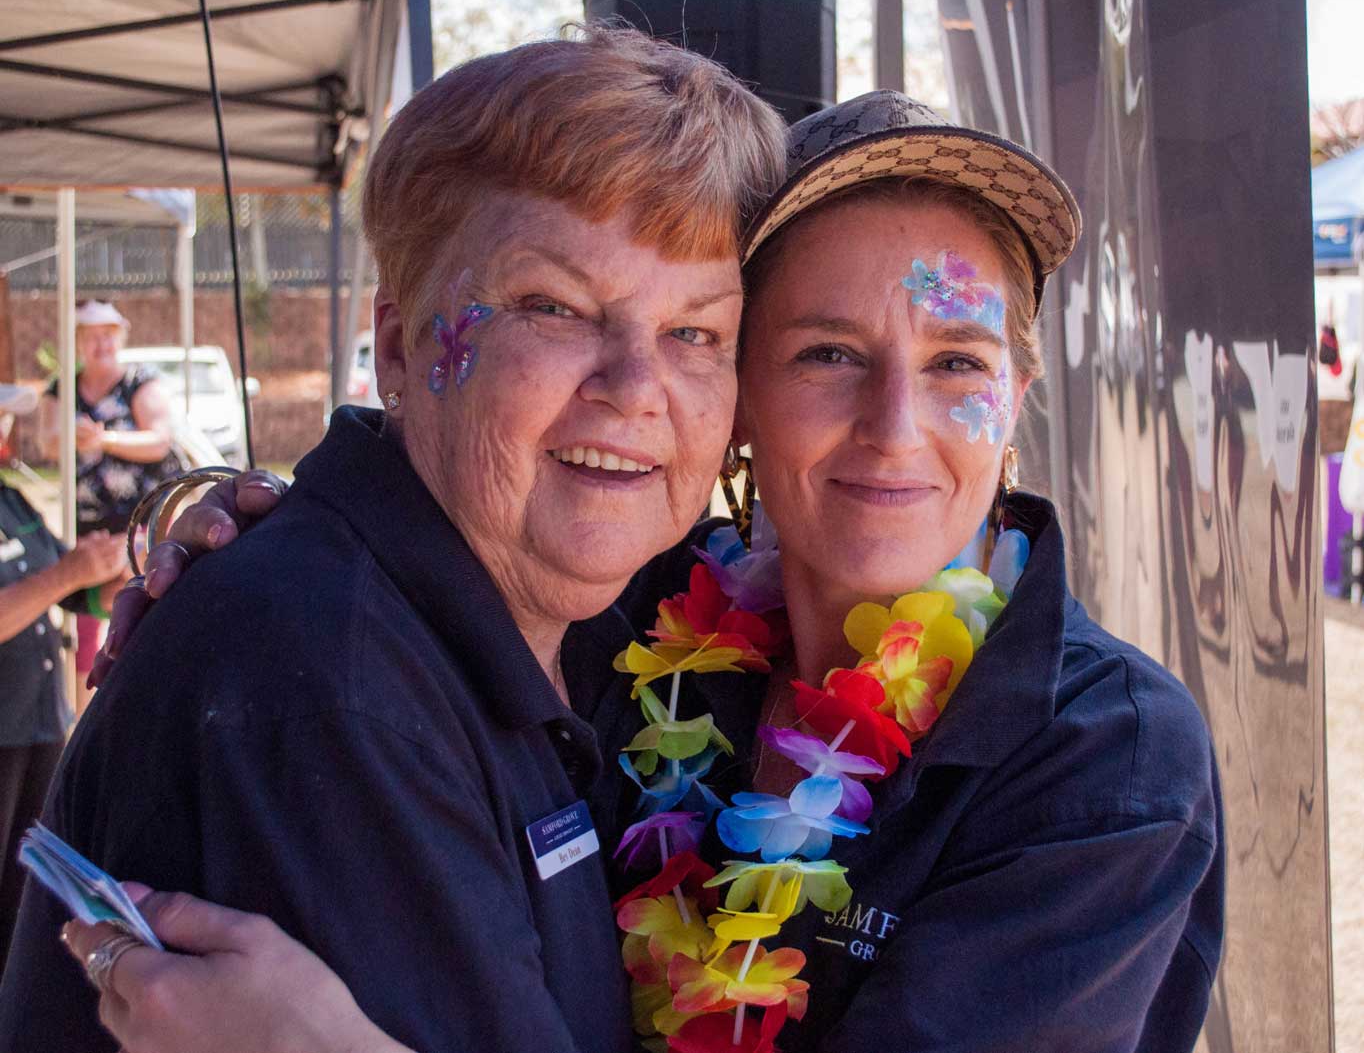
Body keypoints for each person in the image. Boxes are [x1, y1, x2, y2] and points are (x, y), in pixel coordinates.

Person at [56, 92, 1222, 1052]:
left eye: (957, 359)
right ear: (738, 398)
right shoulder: (626, 631)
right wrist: (270, 520)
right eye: (826, 353)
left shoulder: (1102, 759)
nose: (894, 422)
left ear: (1015, 395)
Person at [0, 27, 788, 1053]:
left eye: (694, 333)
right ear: (401, 348)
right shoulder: (330, 681)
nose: (635, 389)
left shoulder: (593, 622)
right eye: (551, 307)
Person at [0, 383, 129, 970]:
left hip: (37, 728)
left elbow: (79, 595)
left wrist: (119, 568)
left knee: (27, 900)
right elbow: (49, 585)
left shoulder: (13, 502)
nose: (5, 428)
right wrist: (66, 575)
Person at [39, 300, 181, 701]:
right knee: (84, 609)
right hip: (86, 520)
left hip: (140, 517)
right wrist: (71, 437)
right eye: (92, 336)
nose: (101, 344)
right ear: (79, 342)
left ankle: (140, 690)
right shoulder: (62, 389)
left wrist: (105, 439)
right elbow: (46, 442)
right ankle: (85, 703)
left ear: (119, 337)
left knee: (135, 600)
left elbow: (159, 440)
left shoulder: (140, 381)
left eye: (108, 335)